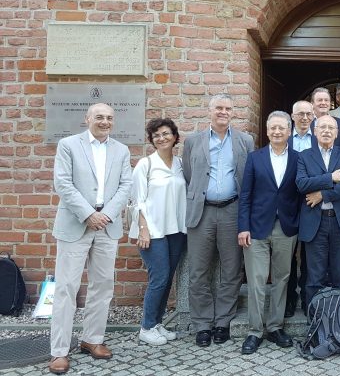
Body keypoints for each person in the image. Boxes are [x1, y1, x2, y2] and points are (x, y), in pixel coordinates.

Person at [49, 103, 132, 375]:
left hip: (107, 226)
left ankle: (92, 339)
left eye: (109, 118)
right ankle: (59, 351)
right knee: (66, 288)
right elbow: (63, 183)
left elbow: (126, 186)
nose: (105, 121)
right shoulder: (68, 145)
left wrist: (105, 215)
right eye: (99, 117)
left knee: (103, 285)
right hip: (76, 223)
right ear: (87, 119)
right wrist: (88, 214)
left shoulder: (121, 150)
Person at [182, 93, 254, 347]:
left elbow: (248, 177)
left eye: (228, 108)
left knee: (232, 269)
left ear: (233, 112)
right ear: (210, 111)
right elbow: (189, 174)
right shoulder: (193, 141)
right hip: (202, 211)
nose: (223, 112)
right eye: (219, 108)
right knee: (198, 270)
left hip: (232, 210)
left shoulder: (245, 140)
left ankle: (223, 321)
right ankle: (203, 324)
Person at [238, 111, 300, 355]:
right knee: (257, 279)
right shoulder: (255, 158)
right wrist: (243, 227)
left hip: (286, 226)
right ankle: (254, 331)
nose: (277, 132)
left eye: (281, 128)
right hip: (256, 227)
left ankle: (275, 327)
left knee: (282, 277)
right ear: (267, 131)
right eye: (273, 128)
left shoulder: (298, 158)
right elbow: (245, 195)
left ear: (289, 131)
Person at [129, 118, 187, 346]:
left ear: (175, 137)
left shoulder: (181, 164)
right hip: (153, 231)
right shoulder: (145, 165)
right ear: (152, 140)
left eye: (165, 134)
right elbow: (137, 201)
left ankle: (156, 323)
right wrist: (143, 230)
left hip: (176, 230)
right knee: (159, 277)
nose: (161, 138)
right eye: (156, 136)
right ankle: (146, 327)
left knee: (167, 278)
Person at [296, 115, 340, 321]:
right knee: (314, 279)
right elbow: (301, 184)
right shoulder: (304, 156)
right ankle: (316, 327)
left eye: (331, 127)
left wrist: (323, 194)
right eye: (322, 127)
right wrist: (331, 177)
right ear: (314, 131)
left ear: (337, 132)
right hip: (315, 222)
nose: (326, 131)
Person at [285, 100, 314, 318]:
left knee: (308, 253)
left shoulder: (318, 138)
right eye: (300, 114)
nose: (304, 118)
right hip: (287, 200)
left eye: (308, 114)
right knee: (287, 253)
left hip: (312, 200)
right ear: (292, 116)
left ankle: (306, 296)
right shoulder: (284, 137)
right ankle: (288, 298)